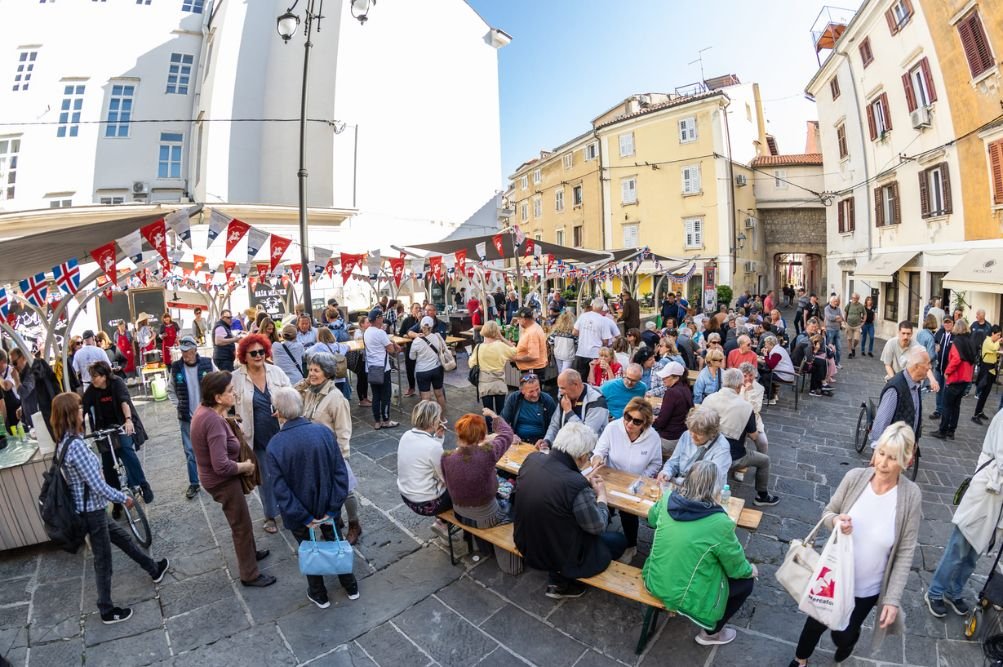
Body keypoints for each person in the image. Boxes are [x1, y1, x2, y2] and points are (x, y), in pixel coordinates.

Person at [789, 422, 921, 666]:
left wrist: (892, 599)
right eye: (881, 453)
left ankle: (848, 642)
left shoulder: (910, 496)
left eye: (892, 458)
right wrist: (836, 521)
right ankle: (800, 660)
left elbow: (905, 552)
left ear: (906, 461)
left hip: (867, 589)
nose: (882, 463)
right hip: (833, 575)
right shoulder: (855, 477)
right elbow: (828, 512)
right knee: (814, 623)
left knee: (843, 633)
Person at [50, 392, 169, 624]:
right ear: (70, 414)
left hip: (89, 508)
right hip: (92, 512)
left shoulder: (64, 442)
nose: (83, 412)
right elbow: (97, 485)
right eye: (79, 408)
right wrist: (123, 498)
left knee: (123, 539)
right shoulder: (76, 447)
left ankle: (153, 568)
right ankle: (106, 609)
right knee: (103, 560)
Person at [265, 387, 359, 607]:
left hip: (299, 514)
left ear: (278, 412)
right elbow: (340, 473)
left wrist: (304, 517)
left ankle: (318, 593)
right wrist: (332, 508)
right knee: (335, 540)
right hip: (328, 505)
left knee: (308, 548)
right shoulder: (323, 433)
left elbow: (280, 490)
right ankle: (350, 585)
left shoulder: (275, 445)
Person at [645, 461, 756, 646]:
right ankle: (711, 634)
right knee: (746, 583)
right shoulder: (720, 522)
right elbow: (736, 566)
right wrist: (750, 570)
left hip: (653, 579)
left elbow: (651, 519)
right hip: (681, 595)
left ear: (687, 480)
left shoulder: (667, 499)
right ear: (715, 488)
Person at [514, 420, 627, 598]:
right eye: (588, 455)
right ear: (581, 456)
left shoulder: (532, 459)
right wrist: (601, 496)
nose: (588, 459)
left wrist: (580, 482)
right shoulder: (576, 484)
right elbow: (597, 527)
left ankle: (558, 578)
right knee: (619, 541)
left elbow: (554, 487)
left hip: (526, 541)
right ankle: (563, 581)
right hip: (560, 554)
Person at [190, 371, 275, 588]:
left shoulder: (207, 411)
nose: (235, 393)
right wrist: (245, 466)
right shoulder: (212, 422)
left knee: (242, 519)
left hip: (216, 479)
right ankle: (249, 574)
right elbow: (221, 466)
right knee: (241, 525)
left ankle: (251, 553)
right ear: (218, 397)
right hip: (222, 482)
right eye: (230, 391)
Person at [926, 411, 1003, 618]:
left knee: (973, 554)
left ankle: (954, 592)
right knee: (958, 547)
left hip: (996, 500)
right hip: (985, 492)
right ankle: (935, 592)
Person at [441, 408, 522, 573]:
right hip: (487, 517)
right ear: (482, 437)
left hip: (459, 513)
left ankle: (482, 546)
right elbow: (507, 434)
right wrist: (494, 416)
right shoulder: (487, 453)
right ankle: (512, 561)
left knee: (501, 488)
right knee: (519, 506)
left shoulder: (446, 457)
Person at [296, 352, 362, 544]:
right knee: (325, 489)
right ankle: (336, 518)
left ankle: (355, 524)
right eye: (310, 369)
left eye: (316, 370)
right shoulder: (310, 391)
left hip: (333, 453)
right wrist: (306, 382)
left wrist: (341, 457)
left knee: (346, 490)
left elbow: (344, 431)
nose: (311, 373)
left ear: (327, 372)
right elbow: (291, 394)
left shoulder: (336, 398)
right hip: (315, 453)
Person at [232, 333, 291, 534]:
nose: (258, 355)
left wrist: (284, 408)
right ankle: (270, 515)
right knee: (265, 478)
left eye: (261, 351)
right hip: (255, 436)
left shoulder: (276, 372)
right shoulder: (236, 378)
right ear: (244, 356)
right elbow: (226, 404)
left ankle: (288, 509)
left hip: (281, 433)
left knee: (286, 473)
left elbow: (291, 394)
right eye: (253, 353)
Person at [591, 397, 662, 562]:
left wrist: (642, 477)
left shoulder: (653, 437)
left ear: (645, 423)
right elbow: (599, 451)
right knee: (603, 508)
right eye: (627, 417)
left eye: (637, 421)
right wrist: (597, 458)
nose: (630, 423)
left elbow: (656, 462)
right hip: (611, 480)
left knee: (629, 515)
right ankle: (599, 540)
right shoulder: (612, 428)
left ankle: (631, 546)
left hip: (635, 485)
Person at [702, 369, 780, 507]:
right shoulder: (746, 407)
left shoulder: (709, 399)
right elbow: (754, 435)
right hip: (733, 457)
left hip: (706, 451)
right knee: (765, 460)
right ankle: (762, 496)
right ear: (739, 386)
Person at [82, 361, 154, 504]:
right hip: (103, 429)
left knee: (126, 451)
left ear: (104, 376)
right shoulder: (92, 390)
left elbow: (124, 402)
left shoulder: (117, 383)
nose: (92, 379)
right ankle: (116, 499)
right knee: (107, 463)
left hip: (121, 425)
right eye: (91, 376)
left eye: (95, 376)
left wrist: (128, 420)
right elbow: (83, 407)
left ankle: (143, 484)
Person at [168, 336, 215, 500]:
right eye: (182, 351)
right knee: (190, 450)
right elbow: (170, 390)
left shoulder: (208, 364)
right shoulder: (176, 367)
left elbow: (219, 383)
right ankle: (194, 483)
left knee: (211, 447)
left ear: (195, 350)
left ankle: (213, 478)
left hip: (207, 415)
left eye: (187, 351)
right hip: (186, 417)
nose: (184, 354)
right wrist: (179, 405)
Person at [397, 400, 451, 536]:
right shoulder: (433, 447)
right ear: (433, 420)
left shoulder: (406, 435)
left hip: (406, 496)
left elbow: (425, 455)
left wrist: (438, 438)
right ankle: (445, 523)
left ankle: (442, 521)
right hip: (426, 504)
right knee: (462, 487)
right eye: (439, 417)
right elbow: (446, 477)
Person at [656, 405, 733, 492]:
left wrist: (677, 481)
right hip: (680, 487)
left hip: (702, 493)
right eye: (691, 431)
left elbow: (710, 484)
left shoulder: (722, 449)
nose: (693, 436)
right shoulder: (687, 435)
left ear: (711, 433)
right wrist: (666, 472)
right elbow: (674, 461)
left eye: (699, 434)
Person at [538, 369, 609, 449]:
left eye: (563, 388)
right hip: (566, 448)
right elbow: (555, 424)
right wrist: (547, 441)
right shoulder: (565, 397)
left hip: (588, 452)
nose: (560, 392)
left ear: (575, 385)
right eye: (559, 388)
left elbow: (586, 436)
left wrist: (569, 412)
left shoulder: (596, 402)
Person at [932, 318, 976, 440]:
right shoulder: (970, 341)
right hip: (966, 378)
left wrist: (947, 372)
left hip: (956, 377)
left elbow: (956, 359)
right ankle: (951, 431)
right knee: (956, 406)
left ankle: (942, 431)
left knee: (947, 405)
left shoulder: (957, 341)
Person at [468, 320, 516, 416]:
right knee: (501, 411)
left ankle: (490, 426)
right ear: (496, 331)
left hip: (485, 384)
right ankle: (500, 425)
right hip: (499, 383)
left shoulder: (478, 347)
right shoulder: (501, 346)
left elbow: (471, 364)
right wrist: (502, 338)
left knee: (488, 412)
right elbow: (515, 351)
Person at [364, 308, 401, 430]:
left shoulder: (367, 332)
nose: (383, 319)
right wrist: (393, 344)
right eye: (381, 317)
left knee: (376, 396)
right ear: (378, 319)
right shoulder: (380, 333)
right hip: (383, 368)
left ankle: (377, 422)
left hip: (371, 368)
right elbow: (391, 350)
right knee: (385, 395)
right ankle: (386, 420)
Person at [500, 373, 557, 443]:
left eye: (537, 389)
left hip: (540, 442)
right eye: (531, 391)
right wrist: (510, 435)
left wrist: (546, 441)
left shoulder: (547, 400)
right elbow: (502, 421)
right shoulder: (514, 398)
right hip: (518, 441)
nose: (535, 394)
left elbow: (555, 426)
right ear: (522, 391)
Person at [651, 361, 692, 454]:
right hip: (682, 436)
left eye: (666, 377)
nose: (663, 379)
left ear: (676, 377)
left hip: (669, 439)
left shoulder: (671, 393)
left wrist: (651, 421)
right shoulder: (686, 388)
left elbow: (661, 422)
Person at [573, 297, 620, 378]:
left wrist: (585, 333)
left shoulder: (583, 316)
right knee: (594, 379)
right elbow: (605, 341)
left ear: (592, 306)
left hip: (581, 353)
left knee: (580, 379)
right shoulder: (604, 320)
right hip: (596, 354)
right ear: (602, 308)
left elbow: (574, 332)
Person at [409, 315, 448, 412]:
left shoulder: (416, 342)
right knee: (439, 395)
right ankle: (442, 417)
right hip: (437, 369)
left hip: (422, 371)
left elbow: (412, 357)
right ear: (432, 326)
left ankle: (428, 419)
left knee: (425, 398)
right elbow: (442, 349)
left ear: (421, 326)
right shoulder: (437, 337)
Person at [308, 327, 352, 399]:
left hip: (327, 378)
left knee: (328, 399)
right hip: (341, 376)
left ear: (319, 336)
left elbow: (306, 353)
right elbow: (349, 347)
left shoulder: (319, 346)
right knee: (339, 397)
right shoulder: (339, 345)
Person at [738, 363, 769, 456]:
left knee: (763, 443)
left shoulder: (760, 388)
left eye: (751, 375)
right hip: (738, 419)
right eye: (745, 376)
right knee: (739, 444)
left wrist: (750, 392)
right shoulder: (736, 385)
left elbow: (756, 409)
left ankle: (762, 461)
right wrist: (743, 390)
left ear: (755, 375)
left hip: (753, 419)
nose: (748, 378)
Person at [972, 325, 1001, 424]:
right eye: (998, 335)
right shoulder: (988, 341)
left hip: (991, 370)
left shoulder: (992, 341)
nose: (999, 337)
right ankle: (975, 414)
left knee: (986, 393)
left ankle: (980, 411)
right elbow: (994, 348)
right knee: (983, 393)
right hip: (986, 370)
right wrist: (999, 341)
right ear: (992, 333)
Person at [511, 307, 548, 377]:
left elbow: (533, 356)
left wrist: (515, 358)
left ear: (524, 319)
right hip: (533, 369)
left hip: (532, 370)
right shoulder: (533, 327)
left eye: (519, 319)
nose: (518, 321)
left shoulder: (532, 332)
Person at [397, 303, 423, 397]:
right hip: (410, 347)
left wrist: (420, 320)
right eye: (416, 308)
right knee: (410, 369)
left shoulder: (423, 320)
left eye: (419, 308)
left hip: (422, 349)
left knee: (421, 369)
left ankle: (423, 389)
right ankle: (411, 388)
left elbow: (425, 331)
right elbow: (401, 333)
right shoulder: (407, 320)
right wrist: (407, 336)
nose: (418, 310)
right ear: (411, 310)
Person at [761, 335, 794, 403]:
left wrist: (766, 355)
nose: (765, 346)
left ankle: (771, 398)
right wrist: (767, 353)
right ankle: (772, 394)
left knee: (765, 377)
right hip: (785, 373)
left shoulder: (776, 352)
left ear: (771, 344)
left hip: (785, 375)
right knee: (766, 374)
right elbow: (772, 362)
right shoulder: (778, 349)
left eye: (766, 344)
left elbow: (771, 365)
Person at [823, 295, 844, 366]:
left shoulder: (838, 309)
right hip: (830, 330)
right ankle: (829, 363)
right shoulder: (827, 308)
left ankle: (837, 363)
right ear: (831, 302)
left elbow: (842, 318)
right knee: (829, 348)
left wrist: (836, 318)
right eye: (835, 301)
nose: (836, 302)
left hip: (837, 330)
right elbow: (829, 317)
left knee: (839, 348)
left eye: (837, 301)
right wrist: (836, 317)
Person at [844, 293, 866, 359]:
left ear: (858, 299)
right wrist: (845, 321)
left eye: (855, 298)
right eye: (852, 297)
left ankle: (853, 347)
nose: (853, 299)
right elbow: (845, 312)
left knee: (857, 339)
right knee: (849, 339)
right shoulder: (849, 304)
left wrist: (863, 322)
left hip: (857, 325)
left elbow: (865, 313)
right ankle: (850, 352)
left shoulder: (861, 306)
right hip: (849, 324)